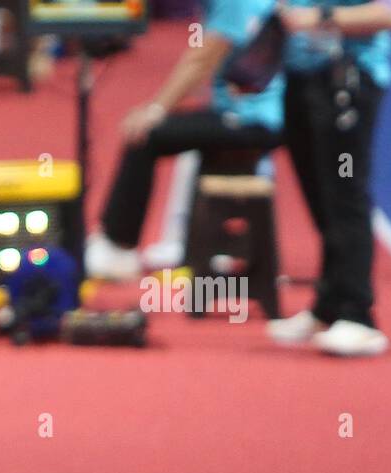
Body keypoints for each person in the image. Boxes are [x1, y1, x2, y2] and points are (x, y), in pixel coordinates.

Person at [85, 0, 286, 281]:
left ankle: (118, 247)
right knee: (176, 126)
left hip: (253, 119)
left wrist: (156, 110)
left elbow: (202, 59)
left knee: (147, 135)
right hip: (239, 111)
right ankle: (193, 239)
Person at [267, 0, 391, 356]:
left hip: (345, 81)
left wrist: (321, 18)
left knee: (345, 193)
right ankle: (329, 305)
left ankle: (358, 313)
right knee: (320, 194)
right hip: (300, 77)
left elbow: (389, 14)